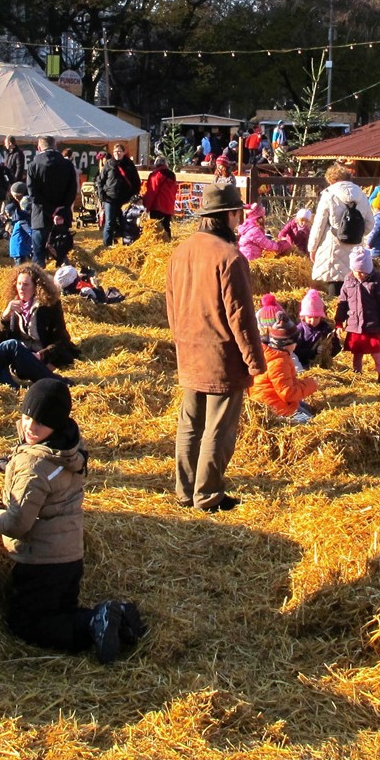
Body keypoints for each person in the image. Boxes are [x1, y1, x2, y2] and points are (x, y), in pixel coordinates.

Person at [0, 379, 142, 663]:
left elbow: (17, 523)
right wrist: (11, 466)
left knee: (27, 625)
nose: (31, 427)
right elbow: (48, 478)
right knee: (60, 613)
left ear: (55, 425)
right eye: (26, 417)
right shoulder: (69, 449)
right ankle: (115, 622)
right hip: (70, 557)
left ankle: (97, 620)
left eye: (41, 423)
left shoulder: (32, 468)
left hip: (40, 563)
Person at [165, 181, 266, 513]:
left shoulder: (180, 252)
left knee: (190, 423)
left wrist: (180, 340)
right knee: (219, 429)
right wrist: (255, 362)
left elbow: (171, 305)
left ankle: (184, 491)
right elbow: (241, 317)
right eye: (239, 214)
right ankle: (208, 495)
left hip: (189, 350)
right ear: (230, 215)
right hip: (222, 355)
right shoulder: (230, 257)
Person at [0, 263, 80, 369]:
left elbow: (60, 339)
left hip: (42, 352)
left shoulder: (50, 305)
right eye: (19, 284)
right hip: (18, 351)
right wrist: (5, 316)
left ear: (36, 287)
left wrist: (41, 355)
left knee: (62, 354)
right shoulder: (13, 302)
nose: (21, 288)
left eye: (26, 284)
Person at [307, 161, 373, 300]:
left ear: (332, 179)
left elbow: (319, 224)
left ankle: (335, 314)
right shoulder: (361, 194)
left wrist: (312, 248)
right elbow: (370, 223)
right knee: (353, 282)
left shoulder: (329, 194)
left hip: (333, 243)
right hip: (355, 244)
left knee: (334, 280)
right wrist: (357, 233)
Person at [336, 246, 380, 387]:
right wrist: (339, 322)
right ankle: (357, 374)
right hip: (354, 324)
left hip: (372, 324)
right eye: (357, 271)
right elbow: (342, 303)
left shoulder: (375, 280)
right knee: (357, 350)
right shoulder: (348, 280)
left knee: (376, 350)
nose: (359, 275)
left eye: (363, 272)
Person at [250, 317, 318, 424]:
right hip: (273, 407)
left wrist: (304, 383)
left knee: (306, 408)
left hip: (273, 398)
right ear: (287, 344)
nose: (296, 345)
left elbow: (287, 383)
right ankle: (283, 420)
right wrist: (311, 385)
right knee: (309, 420)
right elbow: (288, 393)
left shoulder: (276, 355)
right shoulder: (278, 363)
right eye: (295, 342)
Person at [28, 135, 79, 265]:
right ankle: (66, 283)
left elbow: (33, 195)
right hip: (62, 216)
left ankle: (38, 283)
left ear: (39, 148)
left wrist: (51, 211)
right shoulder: (67, 164)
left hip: (40, 217)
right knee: (61, 253)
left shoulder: (33, 165)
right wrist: (60, 211)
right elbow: (72, 191)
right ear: (55, 146)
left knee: (39, 256)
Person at [96, 143, 141, 248]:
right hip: (110, 198)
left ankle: (126, 243)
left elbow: (136, 182)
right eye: (116, 151)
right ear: (113, 153)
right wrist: (102, 195)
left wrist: (133, 196)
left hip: (125, 199)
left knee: (125, 222)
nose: (117, 153)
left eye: (120, 151)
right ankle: (106, 245)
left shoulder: (129, 164)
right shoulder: (109, 164)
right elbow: (100, 181)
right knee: (109, 223)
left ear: (123, 152)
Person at [293, 288, 334, 368]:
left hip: (321, 365)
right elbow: (296, 351)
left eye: (316, 318)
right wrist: (314, 351)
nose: (313, 320)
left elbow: (335, 348)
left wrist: (327, 348)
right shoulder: (299, 330)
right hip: (303, 364)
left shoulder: (325, 329)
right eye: (309, 317)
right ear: (303, 316)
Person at [142, 155, 178, 240]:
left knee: (156, 227)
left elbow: (152, 192)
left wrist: (147, 207)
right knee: (166, 226)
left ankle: (158, 243)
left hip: (158, 206)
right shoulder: (172, 175)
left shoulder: (156, 175)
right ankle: (168, 242)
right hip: (168, 205)